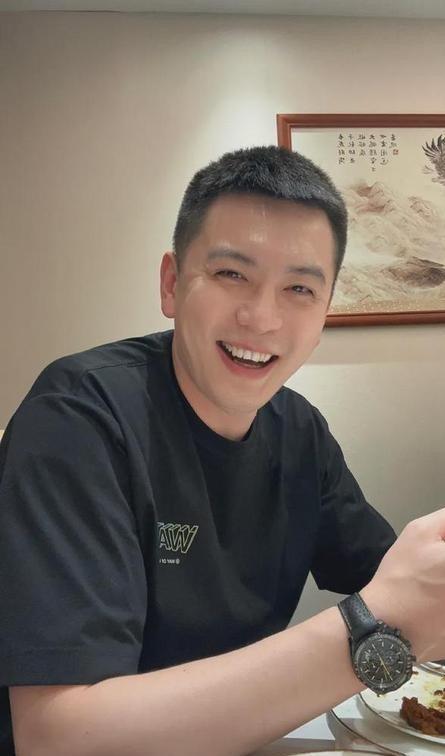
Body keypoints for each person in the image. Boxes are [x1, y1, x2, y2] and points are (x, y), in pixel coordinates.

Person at [1, 145, 445, 756]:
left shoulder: (299, 432)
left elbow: (396, 579)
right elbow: (57, 736)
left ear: (324, 312)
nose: (261, 318)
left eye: (299, 288)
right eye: (232, 274)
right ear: (171, 284)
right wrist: (368, 628)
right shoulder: (78, 417)